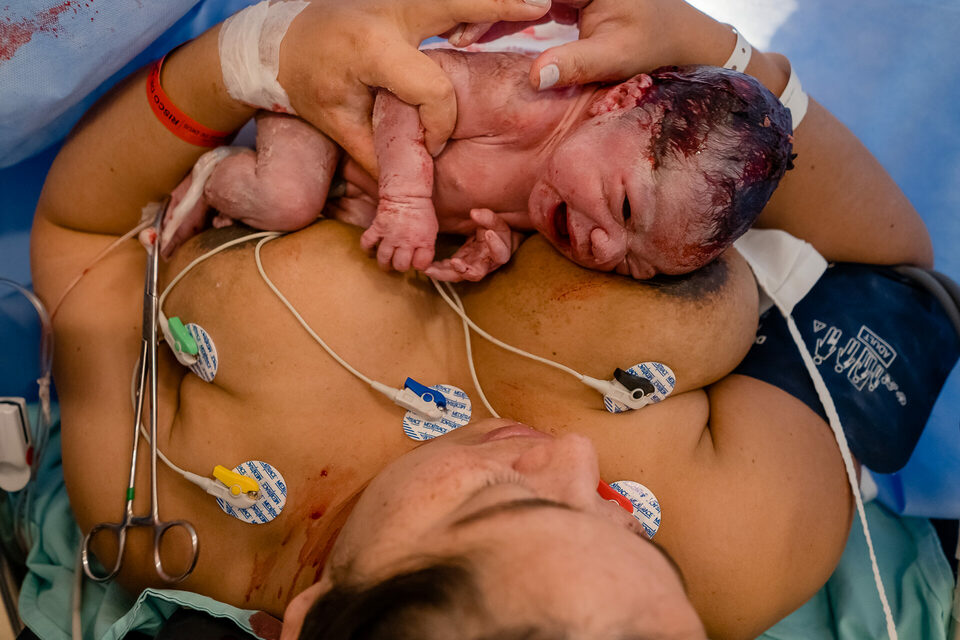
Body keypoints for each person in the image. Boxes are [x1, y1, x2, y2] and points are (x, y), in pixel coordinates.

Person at [30, 1, 941, 639]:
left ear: (302, 622)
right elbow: (890, 260)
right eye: (639, 550)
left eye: (499, 499)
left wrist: (259, 55)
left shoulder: (150, 505)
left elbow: (82, 223)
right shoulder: (737, 551)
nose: (576, 459)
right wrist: (718, 55)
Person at [163, 58, 794, 281]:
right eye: (627, 210)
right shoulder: (528, 100)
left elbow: (479, 202)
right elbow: (404, 87)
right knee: (286, 199)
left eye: (636, 265)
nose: (604, 248)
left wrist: (492, 246)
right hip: (325, 109)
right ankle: (216, 172)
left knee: (315, 241)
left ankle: (233, 210)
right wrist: (408, 201)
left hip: (354, 189)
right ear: (619, 101)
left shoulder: (567, 198)